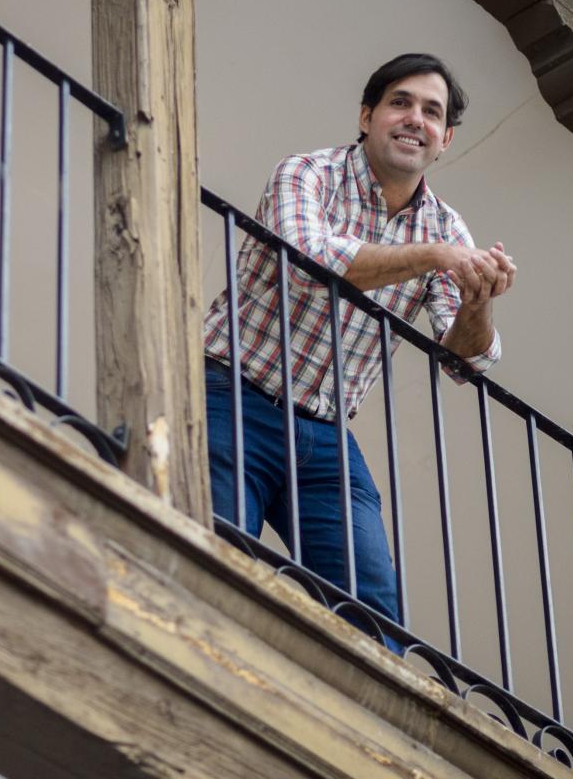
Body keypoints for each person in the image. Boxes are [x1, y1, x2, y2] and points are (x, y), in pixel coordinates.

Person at [203, 53, 516, 640]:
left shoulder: (448, 230)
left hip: (326, 437)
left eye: (431, 112)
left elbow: (466, 360)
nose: (413, 119)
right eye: (400, 102)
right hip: (229, 397)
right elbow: (306, 262)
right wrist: (433, 258)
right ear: (367, 115)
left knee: (374, 618)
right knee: (216, 559)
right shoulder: (307, 174)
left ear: (445, 139)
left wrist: (478, 301)